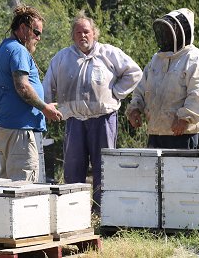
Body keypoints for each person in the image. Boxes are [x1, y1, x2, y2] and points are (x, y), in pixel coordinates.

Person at [43, 12, 142, 211]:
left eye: (86, 31)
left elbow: (135, 72)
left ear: (94, 33)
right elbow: (47, 85)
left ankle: (102, 211)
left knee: (104, 167)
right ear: (73, 36)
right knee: (73, 167)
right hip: (74, 121)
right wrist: (46, 107)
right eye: (78, 32)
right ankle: (73, 211)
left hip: (104, 119)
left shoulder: (109, 53)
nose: (83, 36)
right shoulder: (62, 58)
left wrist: (116, 93)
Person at [0, 5, 63, 182]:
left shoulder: (3, 48)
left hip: (7, 127)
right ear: (23, 28)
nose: (38, 38)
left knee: (7, 185)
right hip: (19, 132)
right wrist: (45, 108)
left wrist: (43, 106)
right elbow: (22, 87)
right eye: (36, 32)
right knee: (22, 186)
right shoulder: (18, 50)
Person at [126, 8, 199, 149]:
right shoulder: (156, 59)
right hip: (155, 133)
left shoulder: (196, 59)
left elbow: (198, 94)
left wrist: (185, 118)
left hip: (182, 135)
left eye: (171, 30)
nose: (166, 34)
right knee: (154, 171)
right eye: (165, 30)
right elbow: (141, 88)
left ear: (183, 31)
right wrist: (135, 108)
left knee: (179, 172)